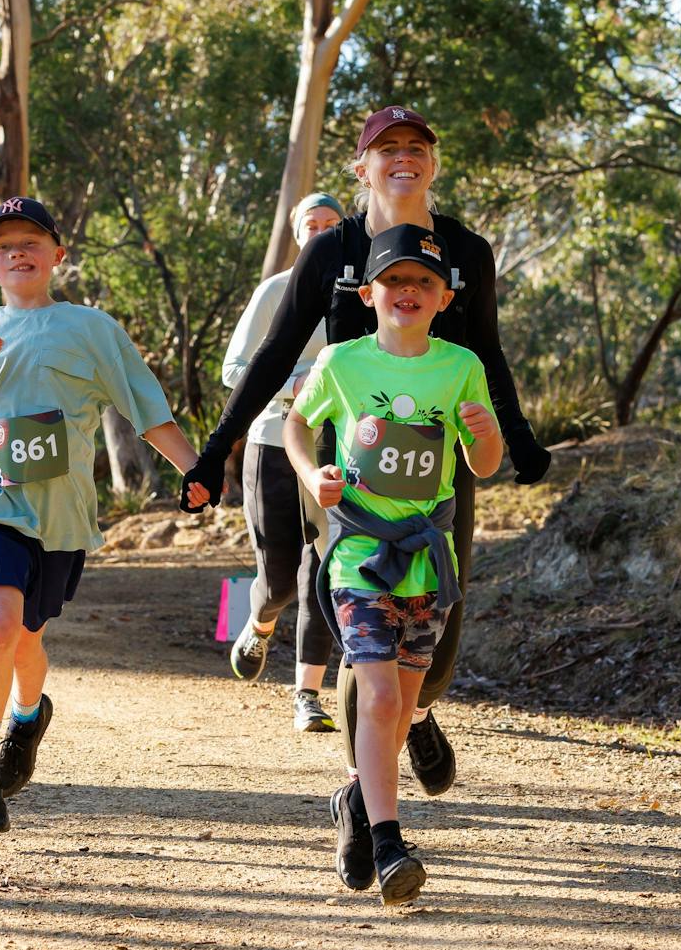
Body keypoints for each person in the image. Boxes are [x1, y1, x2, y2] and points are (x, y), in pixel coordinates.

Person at [182, 105, 551, 800]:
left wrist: (519, 436)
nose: (403, 157)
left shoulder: (466, 253)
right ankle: (362, 795)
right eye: (387, 148)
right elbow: (274, 356)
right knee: (358, 630)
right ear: (362, 167)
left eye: (417, 146)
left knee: (435, 646)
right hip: (343, 478)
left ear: (433, 163)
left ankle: (417, 711)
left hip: (440, 477)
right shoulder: (332, 250)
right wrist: (213, 453)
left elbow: (488, 354)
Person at [0, 196, 208, 834]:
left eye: (32, 241)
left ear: (58, 255)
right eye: (4, 245)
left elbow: (147, 410)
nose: (18, 252)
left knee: (26, 636)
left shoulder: (91, 329)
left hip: (59, 512)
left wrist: (195, 469)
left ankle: (27, 718)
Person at [285, 222, 502, 905]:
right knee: (377, 696)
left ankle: (355, 801)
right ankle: (388, 843)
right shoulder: (344, 362)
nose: (409, 290)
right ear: (370, 290)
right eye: (396, 279)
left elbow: (481, 463)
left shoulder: (461, 365)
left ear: (443, 297)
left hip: (427, 563)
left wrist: (489, 436)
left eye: (424, 282)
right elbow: (296, 421)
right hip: (359, 556)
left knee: (405, 706)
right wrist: (309, 472)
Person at [221, 192, 341, 732]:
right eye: (310, 224)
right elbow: (234, 370)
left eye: (330, 224)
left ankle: (308, 695)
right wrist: (296, 384)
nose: (320, 231)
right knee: (280, 578)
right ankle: (259, 621)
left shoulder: (361, 294)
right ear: (297, 235)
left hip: (338, 447)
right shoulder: (274, 292)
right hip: (272, 440)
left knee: (325, 571)